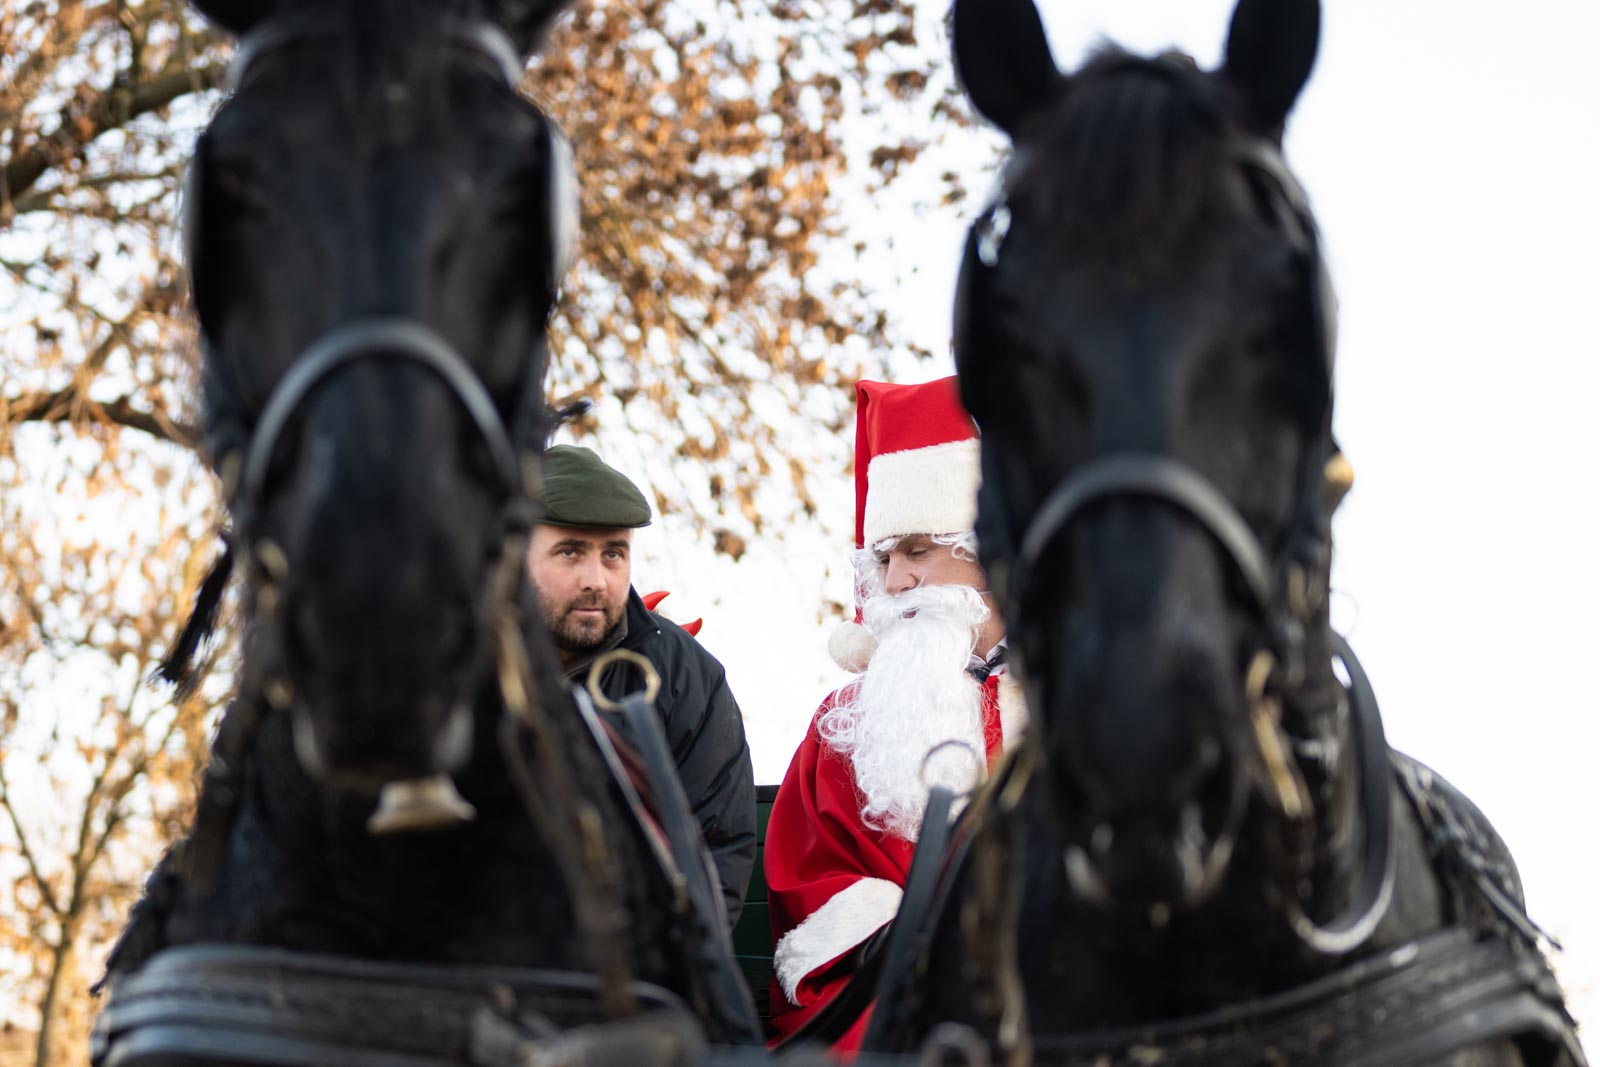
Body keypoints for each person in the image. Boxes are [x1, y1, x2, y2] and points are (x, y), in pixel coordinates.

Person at [765, 378, 1027, 1051]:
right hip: (894, 1015)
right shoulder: (846, 724)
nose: (896, 581)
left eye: (917, 550)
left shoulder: (1077, 705)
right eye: (883, 558)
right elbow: (812, 890)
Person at [528, 444, 756, 929]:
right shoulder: (457, 661)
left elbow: (714, 858)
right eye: (570, 552)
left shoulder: (686, 677)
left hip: (630, 972)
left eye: (613, 554)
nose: (596, 579)